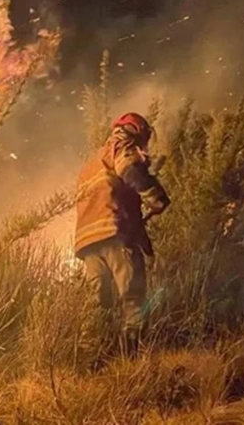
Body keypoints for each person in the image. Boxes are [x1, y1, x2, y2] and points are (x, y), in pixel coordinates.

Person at [74, 112, 170, 357]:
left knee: (97, 304)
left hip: (88, 240)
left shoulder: (92, 161)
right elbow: (131, 172)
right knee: (133, 297)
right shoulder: (122, 147)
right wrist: (155, 197)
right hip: (115, 233)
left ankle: (92, 362)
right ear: (137, 133)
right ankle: (132, 361)